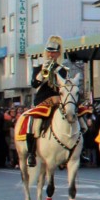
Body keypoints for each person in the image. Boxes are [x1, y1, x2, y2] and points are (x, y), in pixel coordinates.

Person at [24, 36, 69, 168]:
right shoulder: (38, 68)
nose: (51, 54)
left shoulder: (63, 69)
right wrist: (45, 70)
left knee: (76, 117)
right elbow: (35, 84)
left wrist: (55, 69)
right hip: (43, 100)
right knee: (33, 123)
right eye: (49, 51)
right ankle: (31, 153)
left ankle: (76, 149)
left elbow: (64, 84)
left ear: (58, 53)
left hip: (59, 100)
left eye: (53, 52)